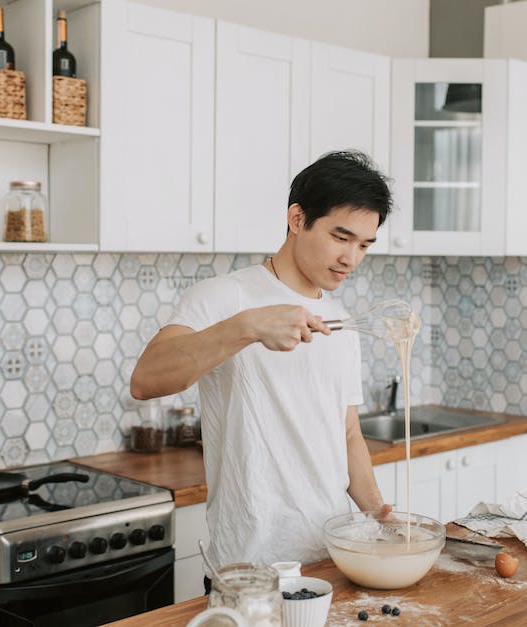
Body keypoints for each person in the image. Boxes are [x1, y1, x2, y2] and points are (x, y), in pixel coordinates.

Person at [130, 150, 394, 590]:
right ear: (297, 218)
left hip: (330, 560)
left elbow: (347, 434)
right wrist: (247, 327)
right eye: (340, 237)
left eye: (364, 245)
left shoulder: (342, 321)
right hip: (248, 568)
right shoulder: (223, 297)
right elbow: (146, 379)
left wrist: (379, 516)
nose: (351, 258)